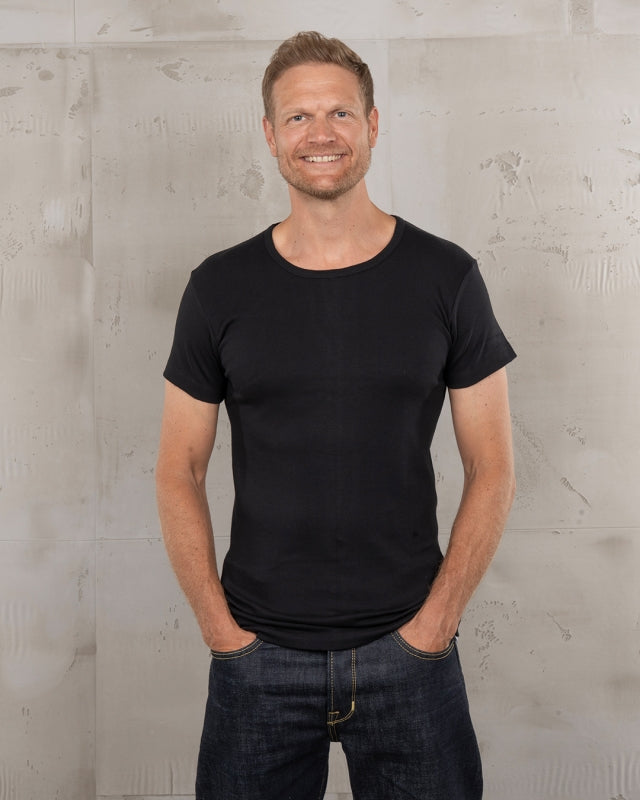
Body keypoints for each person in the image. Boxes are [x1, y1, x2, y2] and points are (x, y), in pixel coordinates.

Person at [156, 31, 516, 800]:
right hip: (257, 660)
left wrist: (436, 625)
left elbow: (493, 465)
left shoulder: (447, 277)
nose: (320, 133)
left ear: (373, 124)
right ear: (270, 134)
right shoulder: (218, 288)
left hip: (410, 654)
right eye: (298, 117)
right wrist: (222, 632)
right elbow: (178, 467)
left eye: (340, 113)